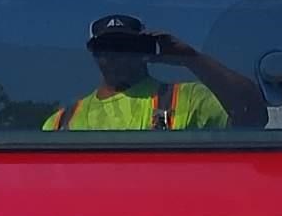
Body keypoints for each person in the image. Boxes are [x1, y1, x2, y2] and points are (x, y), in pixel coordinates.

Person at [43, 13, 269, 131]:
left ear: (145, 50)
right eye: (107, 47)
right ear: (93, 53)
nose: (117, 55)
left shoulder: (188, 99)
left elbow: (254, 114)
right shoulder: (60, 122)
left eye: (127, 46)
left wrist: (191, 58)